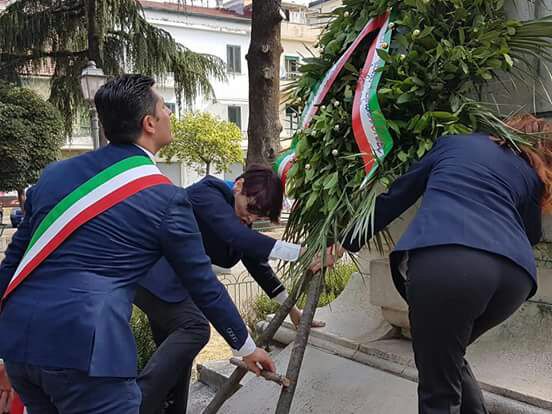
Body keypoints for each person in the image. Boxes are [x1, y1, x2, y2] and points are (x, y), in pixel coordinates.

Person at [0, 74, 274, 414]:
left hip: (20, 346)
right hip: (87, 356)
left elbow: (13, 264)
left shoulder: (54, 175)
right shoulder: (164, 198)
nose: (170, 114)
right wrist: (247, 347)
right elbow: (202, 283)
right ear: (149, 123)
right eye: (165, 108)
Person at [341, 115, 550, 414]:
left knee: (439, 390)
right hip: (514, 279)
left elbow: (396, 196)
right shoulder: (530, 175)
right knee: (447, 358)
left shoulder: (454, 144)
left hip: (449, 264)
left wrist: (342, 242)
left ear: (504, 127)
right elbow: (531, 234)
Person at [135, 165, 326, 414]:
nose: (251, 219)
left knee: (178, 363)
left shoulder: (240, 217)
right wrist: (303, 253)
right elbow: (234, 236)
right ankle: (130, 405)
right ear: (239, 185)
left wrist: (292, 310)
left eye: (260, 216)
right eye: (251, 209)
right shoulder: (206, 193)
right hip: (155, 277)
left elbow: (258, 266)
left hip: (176, 287)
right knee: (195, 329)